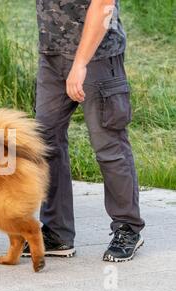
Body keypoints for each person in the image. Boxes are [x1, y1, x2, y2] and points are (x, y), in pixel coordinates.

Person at [23, 0, 145, 262]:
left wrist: (80, 64)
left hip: (97, 56)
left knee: (108, 145)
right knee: (46, 143)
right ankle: (56, 232)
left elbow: (103, 4)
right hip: (52, 53)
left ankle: (127, 228)